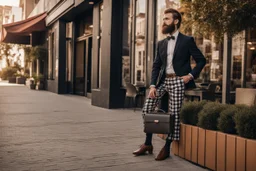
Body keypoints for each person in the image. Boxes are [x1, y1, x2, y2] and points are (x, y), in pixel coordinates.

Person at [133, 8, 206, 161]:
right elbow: (156, 66)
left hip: (179, 81)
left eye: (167, 19)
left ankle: (167, 147)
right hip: (163, 81)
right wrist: (153, 85)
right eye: (164, 18)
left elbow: (201, 60)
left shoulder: (187, 41)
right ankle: (148, 143)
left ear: (176, 21)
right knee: (147, 110)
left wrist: (190, 75)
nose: (164, 21)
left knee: (174, 114)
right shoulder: (161, 43)